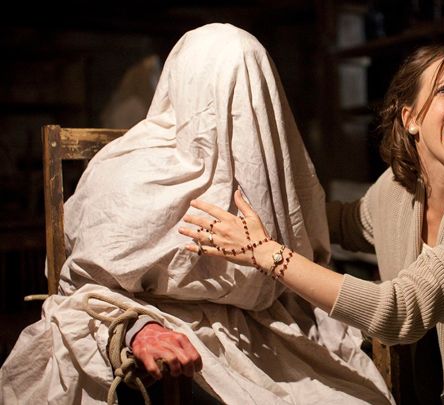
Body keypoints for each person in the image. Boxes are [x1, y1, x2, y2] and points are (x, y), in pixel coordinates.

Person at [0, 23, 392, 404]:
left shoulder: (272, 172)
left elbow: (303, 253)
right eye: (229, 94)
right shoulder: (125, 172)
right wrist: (137, 327)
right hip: (159, 325)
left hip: (267, 332)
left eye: (250, 95)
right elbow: (82, 283)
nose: (242, 112)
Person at [181, 42, 444, 404]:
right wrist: (249, 201)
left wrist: (266, 253)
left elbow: (399, 310)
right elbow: (342, 223)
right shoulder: (398, 187)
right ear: (410, 119)